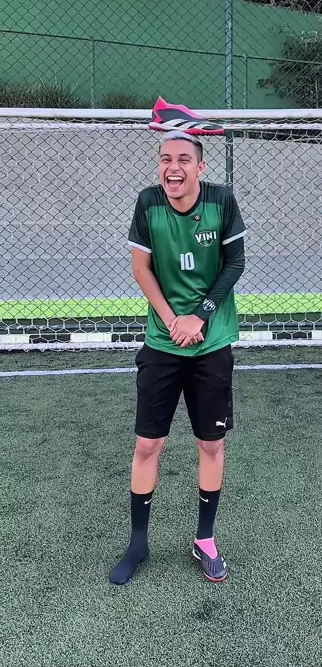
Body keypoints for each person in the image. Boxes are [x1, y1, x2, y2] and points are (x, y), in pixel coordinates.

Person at [109, 129, 246, 585]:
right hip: (163, 343)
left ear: (200, 167)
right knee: (148, 444)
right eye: (166, 159)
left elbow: (235, 264)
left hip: (212, 342)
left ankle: (205, 539)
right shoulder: (148, 202)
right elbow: (141, 269)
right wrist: (173, 320)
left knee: (211, 444)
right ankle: (138, 543)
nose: (173, 167)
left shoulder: (221, 200)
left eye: (184, 159)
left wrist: (200, 316)